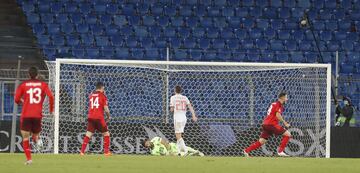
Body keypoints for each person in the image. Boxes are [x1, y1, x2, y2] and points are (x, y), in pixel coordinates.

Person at [14, 67, 54, 165]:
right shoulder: (43, 84)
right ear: (37, 75)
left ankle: (29, 159)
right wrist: (51, 110)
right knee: (35, 134)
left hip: (26, 114)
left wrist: (22, 101)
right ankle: (39, 141)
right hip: (37, 115)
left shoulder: (23, 85)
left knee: (25, 137)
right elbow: (51, 96)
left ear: (28, 74)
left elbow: (16, 99)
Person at [243, 92, 292, 157]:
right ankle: (280, 151)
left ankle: (246, 150)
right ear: (282, 98)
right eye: (286, 97)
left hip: (265, 124)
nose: (287, 99)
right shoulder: (278, 104)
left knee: (262, 141)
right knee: (288, 134)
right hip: (271, 124)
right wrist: (285, 123)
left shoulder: (274, 104)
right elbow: (278, 115)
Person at [80, 82, 111, 156]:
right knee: (106, 134)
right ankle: (106, 152)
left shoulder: (91, 95)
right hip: (99, 117)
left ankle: (82, 152)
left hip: (91, 117)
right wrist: (108, 116)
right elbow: (106, 109)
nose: (104, 89)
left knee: (88, 134)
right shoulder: (103, 95)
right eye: (103, 88)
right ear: (102, 88)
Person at [170, 85, 197, 155]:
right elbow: (190, 107)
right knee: (179, 135)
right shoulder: (185, 98)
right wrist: (194, 116)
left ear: (175, 90)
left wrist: (171, 109)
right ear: (181, 91)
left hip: (177, 117)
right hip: (184, 118)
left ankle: (185, 150)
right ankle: (178, 151)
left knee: (177, 135)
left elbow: (172, 109)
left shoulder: (173, 97)